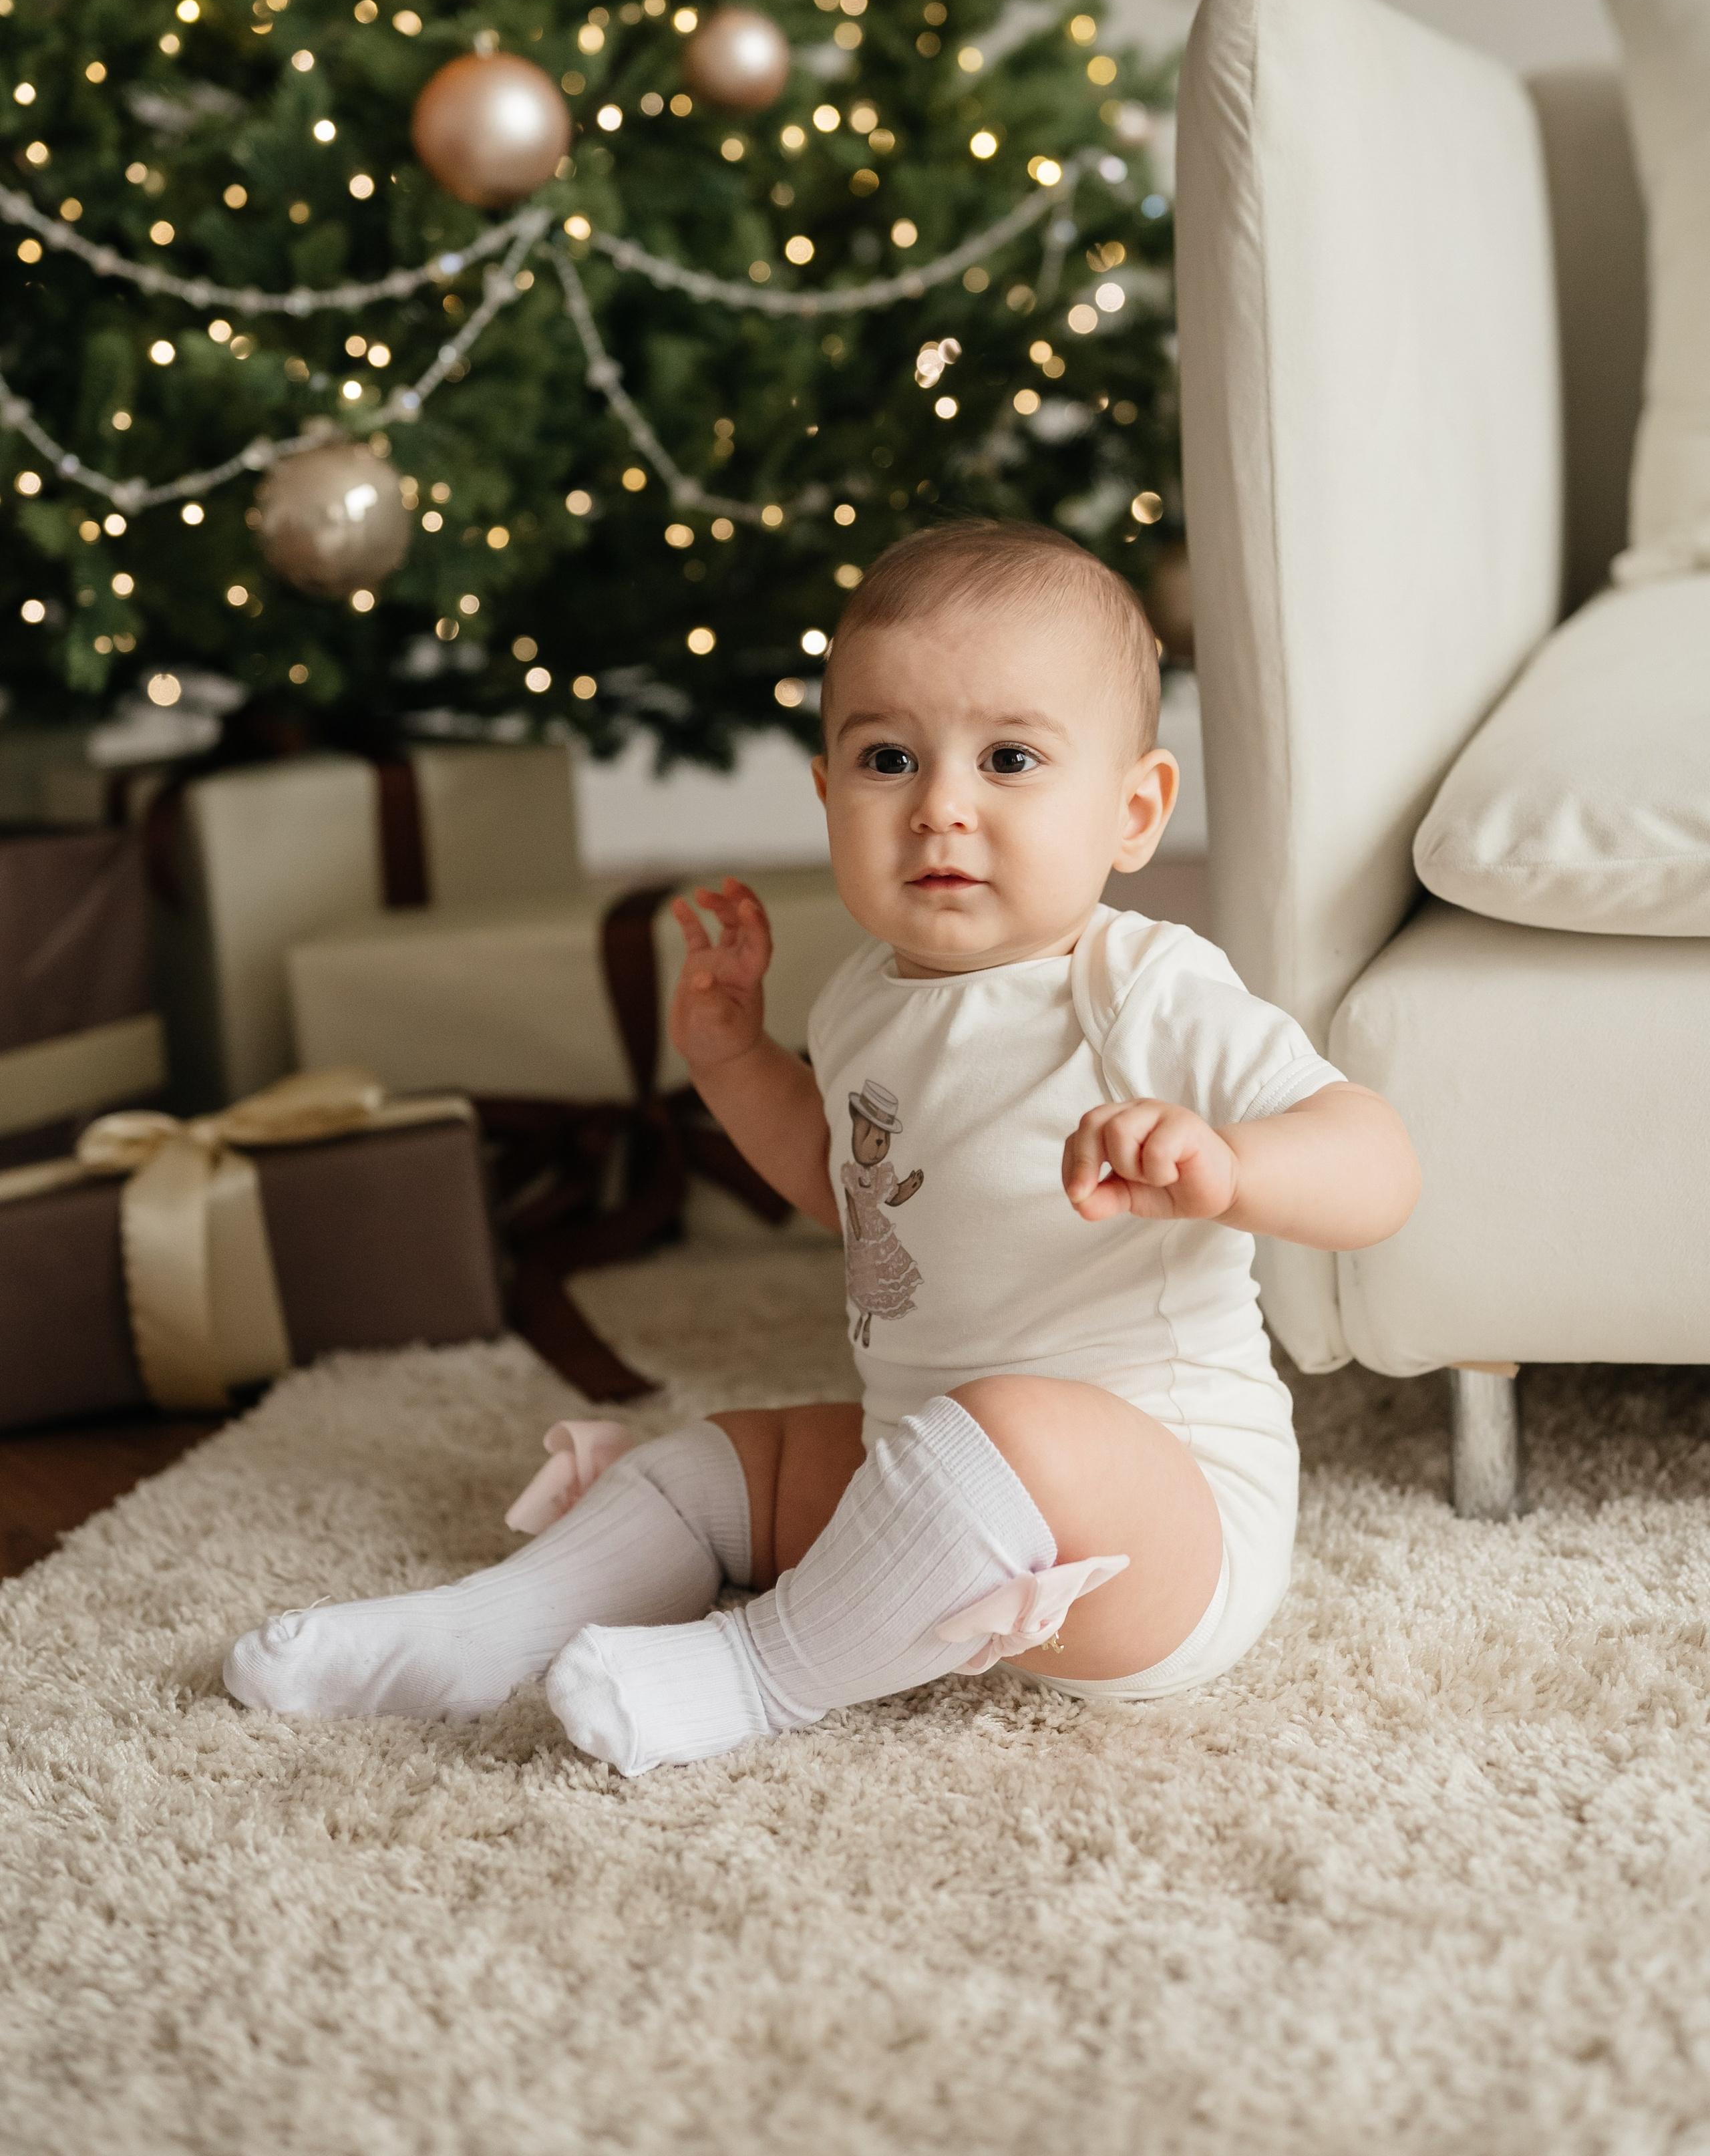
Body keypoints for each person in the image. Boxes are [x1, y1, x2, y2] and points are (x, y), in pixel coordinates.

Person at [225, 521, 1419, 1773]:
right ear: (826, 794)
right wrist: (737, 1059)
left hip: (1158, 1531)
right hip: (922, 1464)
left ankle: (760, 1670)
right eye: (889, 759)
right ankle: (479, 1632)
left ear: (1133, 811)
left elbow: (1379, 1164)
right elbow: (854, 1198)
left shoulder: (1144, 989)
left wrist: (1230, 1164)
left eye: (1010, 759)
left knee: (1015, 1429)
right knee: (724, 1465)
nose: (941, 807)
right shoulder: (860, 999)